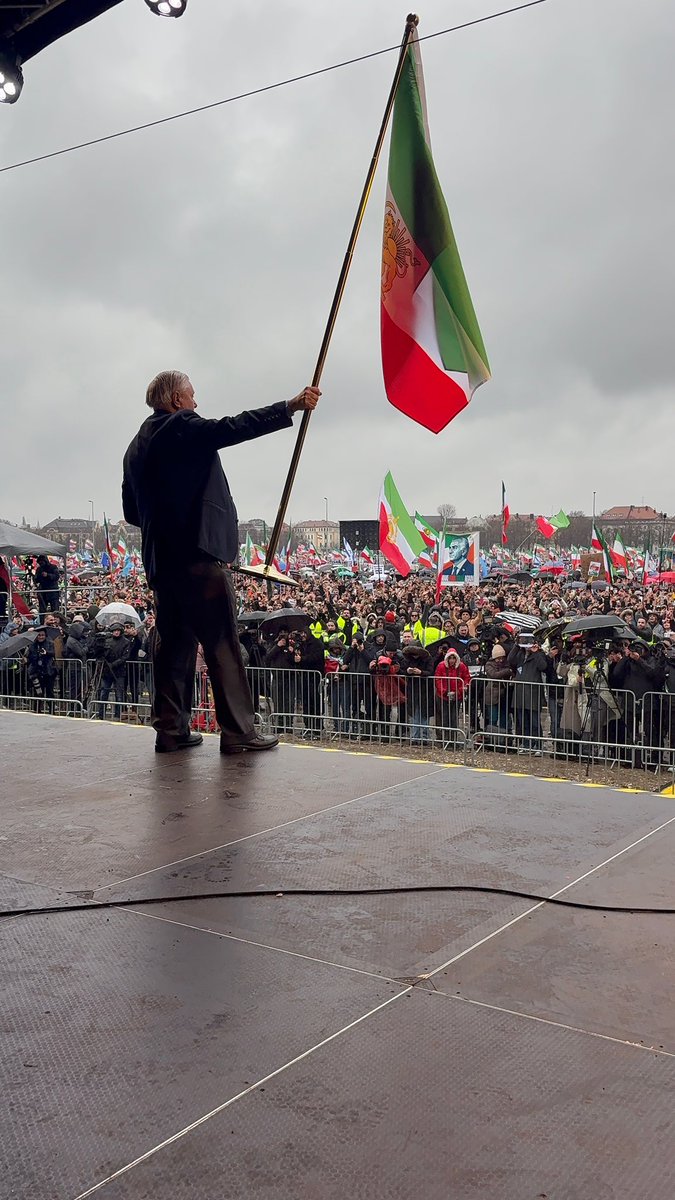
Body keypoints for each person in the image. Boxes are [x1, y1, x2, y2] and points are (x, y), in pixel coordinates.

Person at [122, 370, 320, 753]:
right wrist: (289, 407)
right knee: (222, 644)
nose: (196, 403)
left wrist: (166, 514)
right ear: (177, 400)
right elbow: (232, 427)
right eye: (192, 396)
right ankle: (238, 731)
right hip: (198, 556)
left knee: (174, 647)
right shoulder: (182, 425)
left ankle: (171, 730)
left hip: (161, 563)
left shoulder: (136, 446)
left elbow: (132, 510)